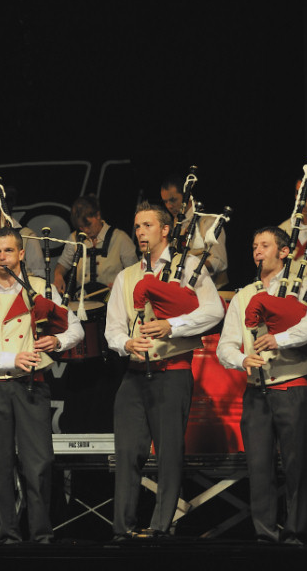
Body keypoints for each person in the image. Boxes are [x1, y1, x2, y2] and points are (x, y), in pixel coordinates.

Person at [105, 201, 224, 539]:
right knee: (127, 453)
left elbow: (214, 311)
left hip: (172, 371)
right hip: (133, 374)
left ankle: (160, 528)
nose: (140, 232)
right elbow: (113, 327)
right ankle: (123, 529)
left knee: (169, 454)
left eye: (147, 225)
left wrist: (173, 325)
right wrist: (125, 343)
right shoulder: (127, 276)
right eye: (137, 226)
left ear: (166, 230)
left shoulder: (189, 268)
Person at [0, 227, 84, 544]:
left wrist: (57, 340)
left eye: (8, 251)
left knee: (39, 462)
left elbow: (76, 329)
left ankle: (41, 533)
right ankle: (6, 535)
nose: (2, 258)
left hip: (32, 384)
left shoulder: (39, 289)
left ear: (20, 254)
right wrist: (11, 359)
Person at [216, 227, 307, 544]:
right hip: (255, 390)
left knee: (295, 466)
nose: (257, 251)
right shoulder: (244, 295)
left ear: (283, 252)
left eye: (264, 245)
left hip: (292, 387)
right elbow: (225, 345)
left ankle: (295, 535)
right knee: (259, 468)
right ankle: (264, 535)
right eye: (254, 246)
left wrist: (279, 339)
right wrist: (241, 360)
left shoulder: (301, 288)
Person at [52, 195, 138, 299]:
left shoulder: (120, 238)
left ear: (98, 215)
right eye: (81, 227)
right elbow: (62, 265)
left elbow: (135, 273)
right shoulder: (75, 238)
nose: (86, 230)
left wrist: (122, 285)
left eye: (88, 225)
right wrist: (58, 276)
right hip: (83, 300)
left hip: (113, 299)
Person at [160, 175, 230, 288]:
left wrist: (189, 267)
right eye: (165, 202)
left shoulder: (208, 222)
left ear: (187, 196)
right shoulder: (172, 226)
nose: (169, 206)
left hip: (212, 291)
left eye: (173, 200)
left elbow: (220, 262)